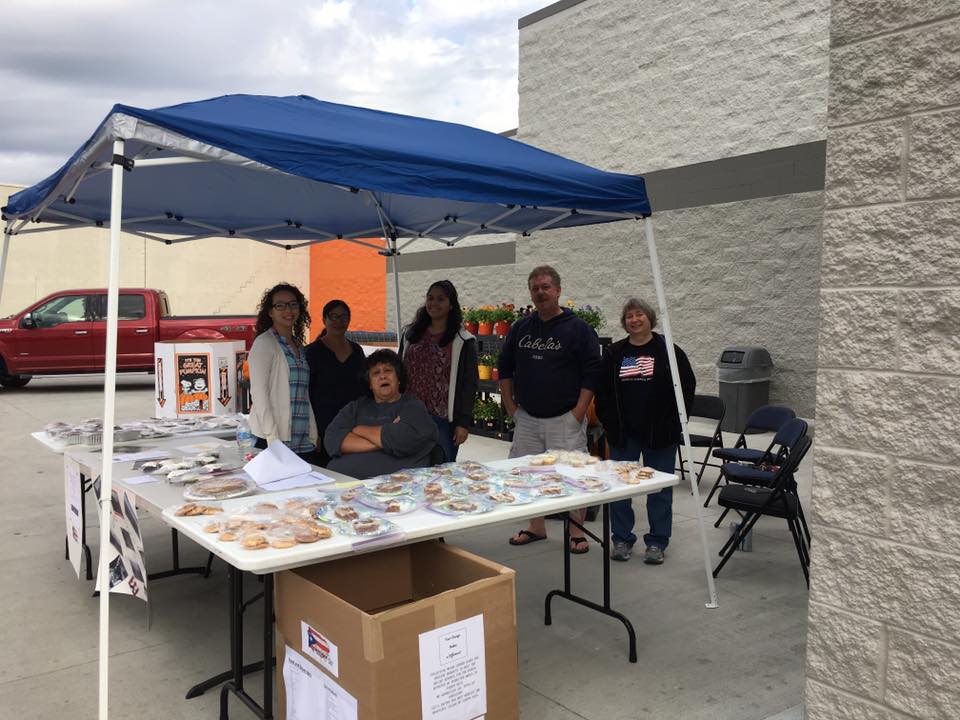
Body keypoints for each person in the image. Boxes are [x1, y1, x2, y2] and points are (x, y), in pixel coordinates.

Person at [499, 265, 601, 553]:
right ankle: (536, 526)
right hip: (528, 418)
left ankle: (576, 532)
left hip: (565, 418)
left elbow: (592, 373)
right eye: (535, 288)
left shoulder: (578, 329)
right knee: (529, 474)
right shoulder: (521, 328)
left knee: (572, 476)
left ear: (558, 290)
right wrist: (510, 407)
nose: (540, 292)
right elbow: (504, 367)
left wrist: (579, 412)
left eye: (546, 287)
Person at [595, 298, 695, 564]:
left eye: (639, 315)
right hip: (623, 434)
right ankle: (621, 539)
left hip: (659, 435)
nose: (634, 320)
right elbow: (602, 391)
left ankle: (657, 542)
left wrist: (675, 423)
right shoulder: (615, 353)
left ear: (650, 318)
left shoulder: (669, 351)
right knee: (620, 488)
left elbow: (686, 388)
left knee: (659, 490)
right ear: (624, 322)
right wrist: (608, 421)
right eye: (629, 316)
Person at [324, 349, 439, 479]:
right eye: (376, 373)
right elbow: (332, 439)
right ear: (370, 384)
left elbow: (405, 439)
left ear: (398, 379)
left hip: (397, 488)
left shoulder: (412, 406)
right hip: (344, 485)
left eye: (388, 370)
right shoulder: (355, 407)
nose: (382, 376)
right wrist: (384, 440)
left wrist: (358, 429)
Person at [399, 280, 479, 462]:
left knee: (441, 474)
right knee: (408, 470)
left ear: (451, 305)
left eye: (441, 299)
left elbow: (469, 385)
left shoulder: (463, 341)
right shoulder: (410, 334)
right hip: (410, 415)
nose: (434, 303)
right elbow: (399, 372)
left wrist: (463, 424)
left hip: (443, 421)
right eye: (430, 298)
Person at [247, 283, 319, 462]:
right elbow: (258, 393)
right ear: (270, 312)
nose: (288, 310)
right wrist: (272, 438)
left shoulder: (298, 346)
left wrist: (313, 432)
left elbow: (303, 394)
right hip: (274, 438)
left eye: (293, 304)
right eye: (280, 305)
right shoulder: (264, 344)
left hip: (302, 438)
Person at [305, 299, 366, 466]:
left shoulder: (357, 351)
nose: (339, 321)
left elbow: (365, 388)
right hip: (322, 428)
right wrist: (313, 433)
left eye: (344, 317)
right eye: (334, 316)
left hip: (353, 426)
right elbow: (306, 394)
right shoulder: (312, 352)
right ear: (324, 319)